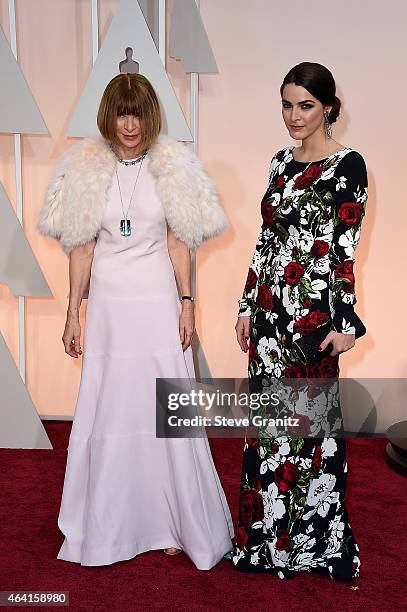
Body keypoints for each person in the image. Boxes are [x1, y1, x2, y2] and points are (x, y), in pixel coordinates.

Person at [37, 73, 234, 569]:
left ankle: (171, 521)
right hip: (108, 308)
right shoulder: (87, 167)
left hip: (154, 301)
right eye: (123, 113)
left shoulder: (171, 167)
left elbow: (178, 243)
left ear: (151, 115)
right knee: (113, 407)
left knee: (163, 409)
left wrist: (188, 303)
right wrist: (71, 312)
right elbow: (81, 248)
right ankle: (114, 519)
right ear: (109, 115)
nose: (131, 123)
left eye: (139, 112)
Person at [233, 62, 368, 580]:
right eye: (287, 104)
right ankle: (266, 543)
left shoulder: (349, 166)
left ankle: (311, 545)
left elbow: (343, 250)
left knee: (310, 434)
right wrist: (248, 305)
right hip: (269, 320)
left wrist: (345, 321)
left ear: (329, 108)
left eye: (305, 105)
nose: (294, 116)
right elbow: (266, 240)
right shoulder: (278, 163)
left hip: (311, 322)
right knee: (270, 433)